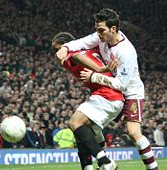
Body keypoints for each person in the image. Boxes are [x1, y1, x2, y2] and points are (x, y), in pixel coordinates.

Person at [56, 8, 158, 170]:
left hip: (130, 92)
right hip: (110, 90)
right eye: (97, 30)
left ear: (113, 29)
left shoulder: (126, 52)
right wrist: (65, 47)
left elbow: (121, 84)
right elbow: (81, 42)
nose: (98, 34)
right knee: (90, 128)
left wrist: (94, 77)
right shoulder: (101, 37)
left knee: (133, 132)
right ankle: (103, 164)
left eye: (101, 30)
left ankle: (152, 168)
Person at [52, 32, 124, 170]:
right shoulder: (91, 50)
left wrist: (101, 69)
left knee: (75, 122)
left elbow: (76, 56)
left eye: (57, 49)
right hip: (111, 96)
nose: (56, 54)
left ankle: (106, 162)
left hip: (107, 95)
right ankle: (88, 168)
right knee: (80, 133)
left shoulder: (71, 55)